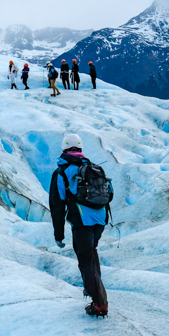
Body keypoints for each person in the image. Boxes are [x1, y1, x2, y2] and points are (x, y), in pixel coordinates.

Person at [49, 133, 109, 318]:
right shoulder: (93, 167)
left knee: (85, 260)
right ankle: (95, 293)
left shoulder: (61, 172)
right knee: (91, 254)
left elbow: (57, 206)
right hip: (100, 219)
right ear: (81, 150)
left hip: (82, 221)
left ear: (64, 149)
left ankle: (99, 304)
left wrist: (58, 235)